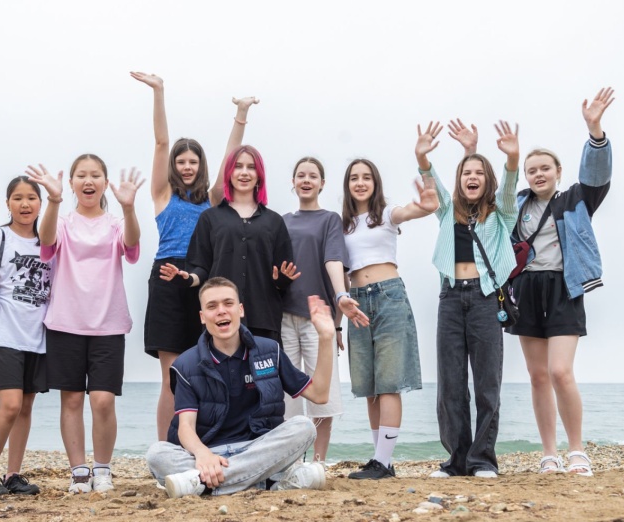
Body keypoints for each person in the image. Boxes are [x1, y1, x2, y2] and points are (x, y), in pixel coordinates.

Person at [131, 71, 258, 441]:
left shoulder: (212, 199)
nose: (187, 167)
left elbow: (231, 158)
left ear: (201, 166)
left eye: (193, 162)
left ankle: (202, 441)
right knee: (172, 376)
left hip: (203, 281)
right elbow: (161, 142)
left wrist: (241, 113)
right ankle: (165, 450)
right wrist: (158, 91)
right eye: (181, 161)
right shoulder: (162, 193)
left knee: (202, 371)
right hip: (167, 280)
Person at [507, 88, 615, 476]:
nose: (538, 174)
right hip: (526, 291)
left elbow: (597, 176)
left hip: (563, 289)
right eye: (531, 170)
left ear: (558, 171)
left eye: (545, 168)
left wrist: (595, 131)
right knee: (538, 376)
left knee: (560, 372)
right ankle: (549, 453)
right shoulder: (516, 205)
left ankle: (577, 451)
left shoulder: (575, 200)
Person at [146, 277, 335, 498]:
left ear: (240, 309)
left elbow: (319, 395)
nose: (221, 311)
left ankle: (201, 483)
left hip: (259, 448)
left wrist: (326, 337)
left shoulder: (270, 351)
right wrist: (203, 454)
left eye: (228, 303)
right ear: (202, 316)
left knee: (304, 427)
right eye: (212, 306)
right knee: (157, 454)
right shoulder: (185, 365)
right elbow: (185, 426)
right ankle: (266, 481)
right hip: (210, 453)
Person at [28, 157, 144, 494]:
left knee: (103, 400)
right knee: (72, 400)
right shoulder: (63, 222)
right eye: (81, 175)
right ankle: (79, 471)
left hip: (109, 324)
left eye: (95, 175)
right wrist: (53, 199)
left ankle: (103, 468)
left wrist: (129, 208)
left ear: (105, 183)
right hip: (66, 323)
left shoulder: (115, 224)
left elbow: (131, 246)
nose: (88, 180)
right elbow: (46, 241)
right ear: (72, 183)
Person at [414, 119, 520, 478]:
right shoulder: (448, 211)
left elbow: (509, 190)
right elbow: (432, 184)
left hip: (485, 299)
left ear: (487, 180)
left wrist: (512, 159)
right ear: (459, 180)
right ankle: (457, 460)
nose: (471, 178)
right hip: (450, 298)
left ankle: (482, 460)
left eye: (478, 173)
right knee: (450, 384)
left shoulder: (502, 214)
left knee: (487, 383)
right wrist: (423, 158)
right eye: (465, 173)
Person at [340, 158, 437, 480]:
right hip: (356, 301)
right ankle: (381, 459)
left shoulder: (385, 213)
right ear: (347, 185)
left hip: (389, 296)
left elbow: (412, 211)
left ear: (375, 182)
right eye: (354, 178)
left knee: (389, 382)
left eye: (366, 177)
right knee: (369, 387)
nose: (360, 182)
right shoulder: (342, 225)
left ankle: (382, 461)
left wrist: (426, 204)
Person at [0, 177, 53, 498]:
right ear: (8, 204)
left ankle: (13, 475)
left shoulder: (48, 243)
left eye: (31, 198)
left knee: (25, 408)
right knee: (10, 405)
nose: (25, 204)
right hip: (2, 333)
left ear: (41, 204)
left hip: (37, 336)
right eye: (17, 198)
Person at [160, 145, 296, 344]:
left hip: (263, 318)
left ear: (259, 175)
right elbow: (201, 267)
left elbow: (283, 274)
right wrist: (188, 278)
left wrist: (281, 280)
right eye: (238, 166)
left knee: (264, 366)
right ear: (229, 173)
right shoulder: (209, 218)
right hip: (221, 320)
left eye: (251, 167)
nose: (244, 172)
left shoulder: (275, 221)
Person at [281, 157, 364, 461]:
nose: (306, 180)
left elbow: (335, 262)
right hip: (283, 316)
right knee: (287, 398)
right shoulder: (281, 221)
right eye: (301, 175)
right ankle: (289, 463)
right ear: (293, 182)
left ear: (322, 183)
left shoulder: (330, 220)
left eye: (313, 176)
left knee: (322, 395)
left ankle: (318, 463)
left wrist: (339, 308)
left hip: (319, 318)